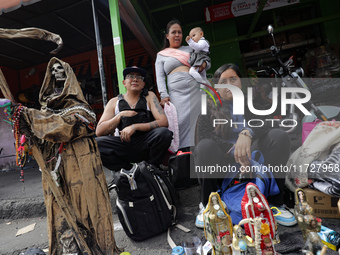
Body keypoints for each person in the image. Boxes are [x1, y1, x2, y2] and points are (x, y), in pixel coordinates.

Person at [14, 57, 119, 254]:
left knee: (87, 211)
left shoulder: (80, 108)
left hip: (81, 167)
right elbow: (42, 134)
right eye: (52, 71)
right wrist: (28, 129)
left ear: (70, 76)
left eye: (61, 70)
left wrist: (31, 117)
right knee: (62, 214)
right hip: (56, 171)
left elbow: (66, 126)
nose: (57, 73)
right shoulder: (43, 112)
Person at [194, 63, 296, 228]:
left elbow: (269, 123)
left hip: (253, 163)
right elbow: (203, 136)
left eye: (233, 79)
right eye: (224, 81)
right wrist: (235, 150)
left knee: (278, 136)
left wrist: (247, 132)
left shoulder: (252, 104)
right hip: (224, 167)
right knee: (204, 146)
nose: (230, 85)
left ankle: (276, 203)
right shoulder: (208, 109)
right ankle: (208, 205)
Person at [95, 66, 172, 172]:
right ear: (124, 82)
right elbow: (99, 131)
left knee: (164, 133)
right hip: (123, 145)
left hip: (146, 143)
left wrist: (134, 127)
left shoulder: (149, 96)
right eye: (131, 76)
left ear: (143, 84)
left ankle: (151, 168)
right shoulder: (114, 102)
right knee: (96, 144)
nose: (135, 79)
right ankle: (128, 171)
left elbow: (163, 122)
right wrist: (119, 116)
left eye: (139, 77)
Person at [155, 18, 210, 150]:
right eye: (174, 32)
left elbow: (206, 59)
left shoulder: (190, 48)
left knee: (199, 121)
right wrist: (163, 95)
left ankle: (200, 151)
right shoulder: (161, 55)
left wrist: (204, 64)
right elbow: (160, 77)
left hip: (195, 90)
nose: (177, 35)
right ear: (167, 36)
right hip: (176, 95)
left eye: (179, 32)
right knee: (178, 124)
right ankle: (183, 153)